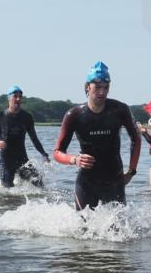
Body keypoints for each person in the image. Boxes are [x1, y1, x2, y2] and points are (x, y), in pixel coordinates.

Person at [53, 61, 141, 210]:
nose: (102, 92)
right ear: (88, 87)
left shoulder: (119, 110)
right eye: (98, 87)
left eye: (106, 87)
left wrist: (131, 171)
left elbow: (136, 139)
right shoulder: (74, 115)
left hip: (114, 179)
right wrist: (75, 159)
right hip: (87, 181)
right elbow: (57, 152)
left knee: (118, 230)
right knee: (82, 229)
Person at [0, 86, 50, 188]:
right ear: (9, 98)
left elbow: (34, 139)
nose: (18, 99)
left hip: (22, 159)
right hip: (6, 161)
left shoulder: (27, 117)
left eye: (20, 97)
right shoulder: (0, 116)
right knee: (7, 192)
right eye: (15, 96)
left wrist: (44, 154)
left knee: (39, 184)